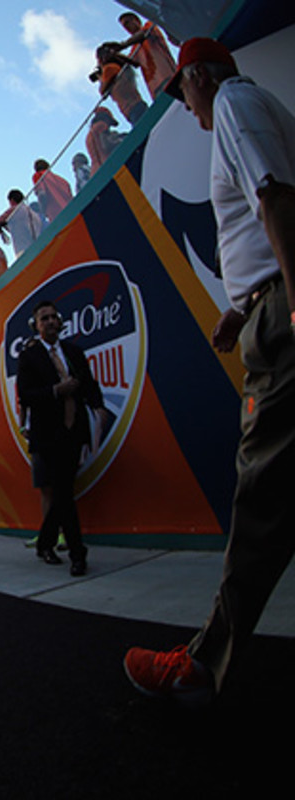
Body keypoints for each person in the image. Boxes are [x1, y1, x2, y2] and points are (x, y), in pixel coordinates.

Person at [124, 38, 295, 707]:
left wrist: (283, 305)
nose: (186, 110)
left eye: (181, 93)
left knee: (261, 498)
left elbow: (275, 198)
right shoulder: (264, 106)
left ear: (198, 76)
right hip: (267, 305)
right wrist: (238, 308)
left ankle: (201, 667)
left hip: (281, 321)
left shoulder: (233, 103)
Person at [16, 301, 108, 577]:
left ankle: (45, 542)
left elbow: (90, 384)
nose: (51, 321)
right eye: (45, 319)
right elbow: (27, 395)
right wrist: (56, 390)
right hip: (48, 434)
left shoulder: (74, 352)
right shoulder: (29, 357)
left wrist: (99, 407)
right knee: (63, 492)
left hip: (74, 430)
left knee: (63, 491)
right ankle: (78, 554)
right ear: (37, 326)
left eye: (54, 317)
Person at [113, 12, 176, 101]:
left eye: (127, 23)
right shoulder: (135, 47)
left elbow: (143, 34)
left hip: (167, 76)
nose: (126, 28)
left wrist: (122, 45)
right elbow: (132, 62)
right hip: (154, 87)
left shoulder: (150, 26)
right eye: (124, 26)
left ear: (137, 21)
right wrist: (114, 55)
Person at [96, 44, 148, 128]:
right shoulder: (120, 68)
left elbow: (102, 91)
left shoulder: (109, 69)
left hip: (132, 108)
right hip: (137, 105)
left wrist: (100, 77)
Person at [0, 189, 44, 259]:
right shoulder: (33, 214)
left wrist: (2, 229)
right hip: (39, 245)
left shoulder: (14, 211)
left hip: (23, 250)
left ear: (12, 200)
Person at [31, 158, 73, 224]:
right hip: (70, 210)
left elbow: (42, 194)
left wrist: (43, 211)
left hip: (55, 213)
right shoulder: (59, 179)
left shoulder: (39, 176)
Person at [86, 106, 125, 172]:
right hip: (108, 166)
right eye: (110, 122)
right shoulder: (101, 125)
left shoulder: (90, 135)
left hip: (97, 170)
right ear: (106, 118)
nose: (109, 126)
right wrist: (122, 141)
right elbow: (106, 145)